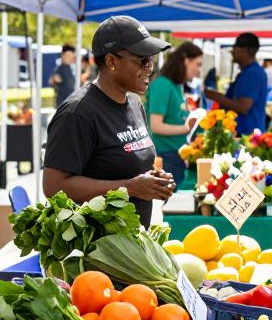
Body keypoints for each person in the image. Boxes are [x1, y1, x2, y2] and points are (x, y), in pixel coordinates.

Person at [43, 15, 174, 227]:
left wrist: (154, 181)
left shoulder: (134, 103)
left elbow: (126, 164)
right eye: (143, 59)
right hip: (97, 251)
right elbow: (54, 187)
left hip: (133, 244)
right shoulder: (77, 113)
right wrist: (128, 187)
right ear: (112, 61)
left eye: (152, 59)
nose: (150, 67)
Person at [148, 42, 203, 186]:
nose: (198, 71)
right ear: (186, 61)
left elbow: (177, 116)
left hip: (178, 155)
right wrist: (185, 128)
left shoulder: (176, 85)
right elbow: (156, 126)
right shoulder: (163, 84)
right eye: (197, 64)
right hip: (165, 156)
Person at [204, 32, 268, 135]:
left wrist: (217, 97)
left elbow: (243, 107)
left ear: (248, 50)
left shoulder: (252, 74)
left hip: (247, 135)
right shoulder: (246, 72)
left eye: (235, 47)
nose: (232, 51)